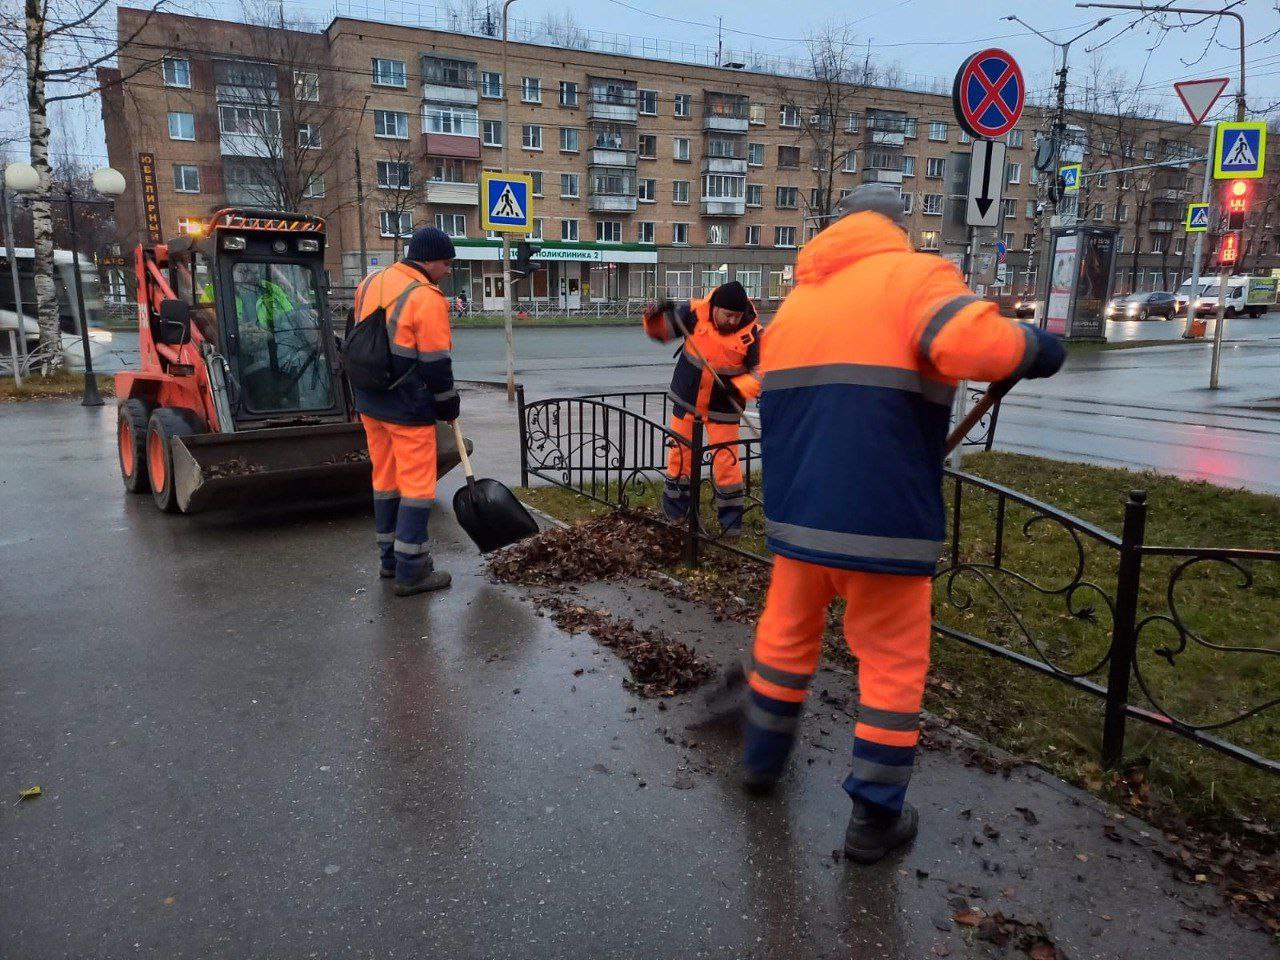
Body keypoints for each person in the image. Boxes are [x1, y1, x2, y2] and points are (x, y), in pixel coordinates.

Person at [743, 184, 1065, 863]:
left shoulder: (798, 301)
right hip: (881, 518)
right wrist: (1038, 346)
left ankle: (760, 763)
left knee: (785, 638)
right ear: (897, 227)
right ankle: (874, 817)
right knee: (890, 664)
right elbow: (976, 345)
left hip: (799, 518)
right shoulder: (915, 276)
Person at [350, 226, 460, 596]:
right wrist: (448, 404)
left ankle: (390, 561)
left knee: (385, 481)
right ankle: (412, 571)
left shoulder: (371, 281)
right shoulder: (426, 296)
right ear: (429, 260)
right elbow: (435, 364)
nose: (448, 270)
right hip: (407, 406)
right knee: (417, 488)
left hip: (370, 401)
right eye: (446, 263)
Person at [642, 280, 761, 538]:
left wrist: (738, 387)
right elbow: (661, 332)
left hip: (723, 408)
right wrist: (654, 317)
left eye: (737, 316)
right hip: (687, 400)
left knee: (727, 464)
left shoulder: (753, 333)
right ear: (715, 307)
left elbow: (761, 373)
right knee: (679, 458)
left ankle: (730, 525)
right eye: (728, 315)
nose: (732, 321)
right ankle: (675, 515)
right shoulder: (694, 312)